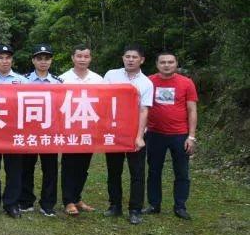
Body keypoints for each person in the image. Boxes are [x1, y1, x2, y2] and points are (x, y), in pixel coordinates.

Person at [103, 45, 153, 225]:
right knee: (113, 171)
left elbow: (144, 111)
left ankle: (135, 209)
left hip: (135, 133)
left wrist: (139, 136)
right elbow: (102, 101)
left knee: (137, 173)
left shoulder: (146, 82)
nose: (130, 60)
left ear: (142, 60)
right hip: (114, 132)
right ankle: (115, 205)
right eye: (127, 56)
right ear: (122, 58)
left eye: (134, 57)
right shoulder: (111, 75)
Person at [145, 52, 199, 220]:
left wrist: (191, 136)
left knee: (182, 172)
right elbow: (141, 106)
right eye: (163, 62)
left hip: (179, 135)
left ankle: (180, 206)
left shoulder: (186, 83)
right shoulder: (149, 81)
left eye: (170, 62)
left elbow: (192, 110)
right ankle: (154, 204)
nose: (166, 65)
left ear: (176, 64)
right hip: (155, 134)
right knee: (154, 171)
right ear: (157, 64)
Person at [58, 44, 106, 216]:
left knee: (83, 166)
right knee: (69, 164)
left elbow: (103, 105)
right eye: (79, 56)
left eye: (86, 56)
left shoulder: (98, 79)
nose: (82, 59)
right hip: (69, 129)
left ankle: (77, 197)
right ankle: (68, 201)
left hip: (89, 129)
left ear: (90, 58)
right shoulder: (62, 79)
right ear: (73, 58)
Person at [0, 44, 28, 218]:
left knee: (14, 169)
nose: (4, 61)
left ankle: (11, 204)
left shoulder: (23, 81)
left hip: (13, 131)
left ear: (12, 60)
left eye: (8, 57)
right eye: (1, 57)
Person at [19, 44, 61, 217]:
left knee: (50, 168)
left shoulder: (58, 82)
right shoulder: (23, 80)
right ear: (33, 60)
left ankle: (48, 203)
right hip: (29, 130)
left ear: (51, 61)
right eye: (39, 58)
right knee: (26, 167)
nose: (43, 62)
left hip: (50, 132)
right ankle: (26, 201)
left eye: (47, 58)